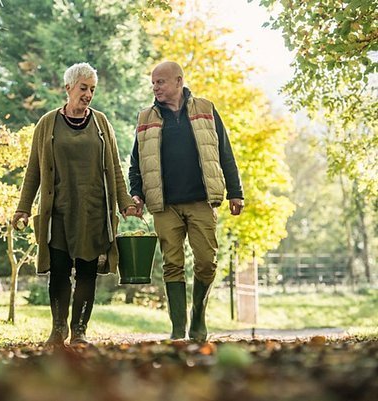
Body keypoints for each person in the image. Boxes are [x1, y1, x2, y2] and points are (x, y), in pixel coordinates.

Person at [12, 62, 137, 346]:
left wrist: (125, 202)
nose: (88, 94)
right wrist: (23, 207)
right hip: (58, 211)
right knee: (58, 270)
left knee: (86, 272)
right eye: (83, 88)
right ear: (68, 88)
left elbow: (115, 168)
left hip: (93, 210)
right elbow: (34, 169)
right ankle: (58, 331)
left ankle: (79, 331)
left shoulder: (101, 123)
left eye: (92, 89)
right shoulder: (47, 123)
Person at [129, 61, 244, 341]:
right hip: (164, 204)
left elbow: (224, 152)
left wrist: (235, 191)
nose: (155, 87)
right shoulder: (146, 117)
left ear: (178, 81)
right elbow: (136, 163)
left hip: (201, 200)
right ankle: (178, 327)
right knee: (172, 264)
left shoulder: (205, 109)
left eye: (161, 82)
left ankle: (198, 317)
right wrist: (137, 193)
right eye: (153, 83)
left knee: (207, 262)